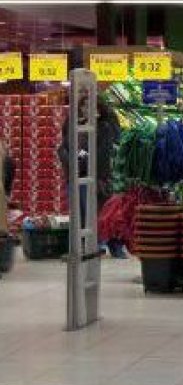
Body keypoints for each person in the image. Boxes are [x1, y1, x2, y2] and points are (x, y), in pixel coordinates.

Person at [57, 48, 123, 256]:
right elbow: (63, 146)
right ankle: (86, 244)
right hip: (75, 175)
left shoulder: (105, 126)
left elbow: (105, 148)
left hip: (98, 176)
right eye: (83, 105)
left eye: (90, 105)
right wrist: (70, 162)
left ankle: (103, 243)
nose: (86, 109)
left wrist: (82, 160)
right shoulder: (72, 123)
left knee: (100, 211)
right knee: (80, 212)